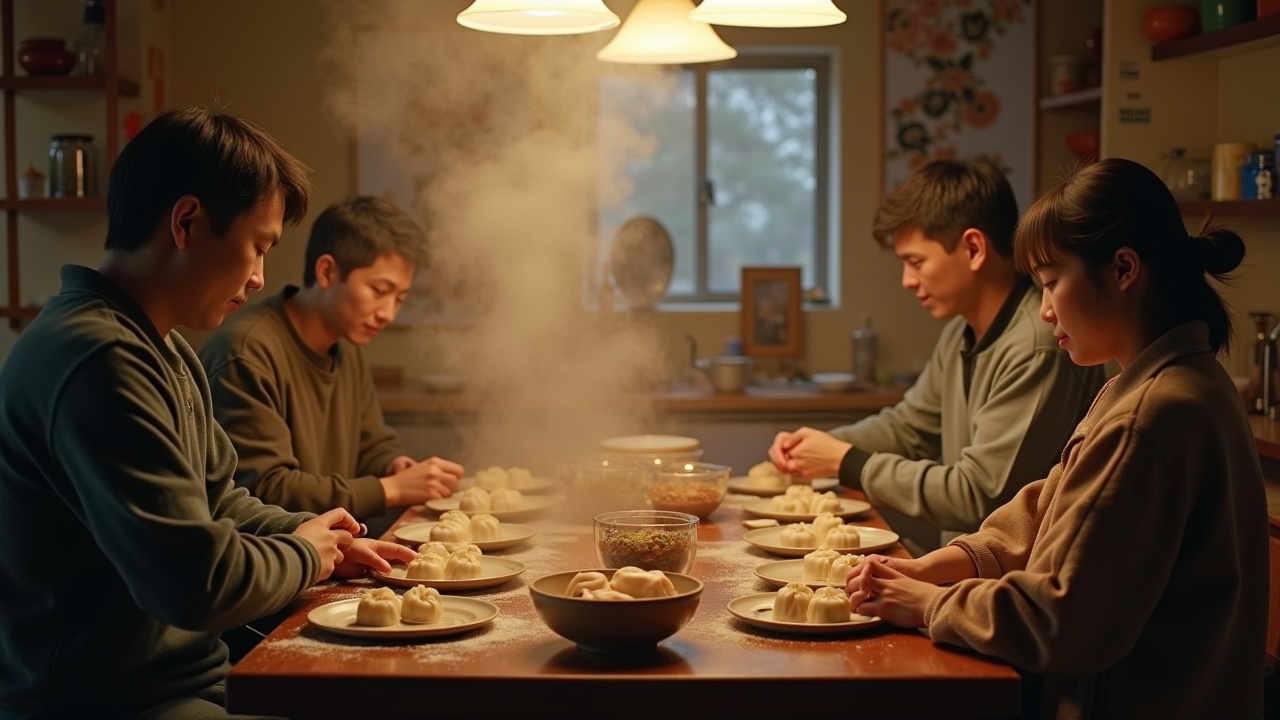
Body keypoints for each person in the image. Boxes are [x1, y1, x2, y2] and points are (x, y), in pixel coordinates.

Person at [0, 107, 417, 718]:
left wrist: (320, 536)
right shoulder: (96, 357)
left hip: (191, 678)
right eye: (258, 247)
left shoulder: (161, 345)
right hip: (104, 702)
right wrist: (305, 555)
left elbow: (221, 501)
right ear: (188, 222)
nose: (258, 278)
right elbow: (193, 585)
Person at [847, 158, 1268, 718]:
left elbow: (1061, 623)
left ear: (1123, 270)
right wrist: (949, 562)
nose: (1044, 310)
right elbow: (1048, 503)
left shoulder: (1155, 411)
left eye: (1050, 284)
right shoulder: (1156, 383)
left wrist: (931, 604)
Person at [769, 159, 1107, 550]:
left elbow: (979, 495)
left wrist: (847, 462)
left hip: (1002, 587)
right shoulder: (958, 333)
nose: (907, 281)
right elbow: (910, 428)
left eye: (915, 262)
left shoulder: (1037, 347)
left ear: (974, 248)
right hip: (962, 569)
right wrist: (815, 445)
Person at [199, 195, 462, 539]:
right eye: (379, 290)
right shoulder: (246, 351)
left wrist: (392, 464)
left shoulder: (344, 342)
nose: (388, 313)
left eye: (399, 298)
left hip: (331, 549)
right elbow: (266, 488)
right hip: (275, 561)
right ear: (326, 272)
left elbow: (372, 443)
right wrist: (391, 489)